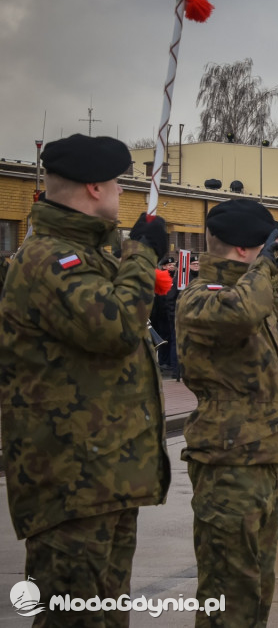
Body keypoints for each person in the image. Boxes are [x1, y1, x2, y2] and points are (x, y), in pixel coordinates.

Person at [0, 134, 171, 624]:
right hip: (71, 480)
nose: (122, 193)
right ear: (95, 187)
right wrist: (142, 255)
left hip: (103, 474)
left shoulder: (88, 251)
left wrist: (131, 250)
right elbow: (115, 327)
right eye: (118, 184)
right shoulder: (49, 258)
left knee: (105, 616)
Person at [176, 199, 278, 626]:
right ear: (247, 249)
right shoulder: (203, 297)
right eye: (267, 245)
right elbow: (240, 313)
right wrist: (262, 268)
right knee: (229, 593)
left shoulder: (255, 290)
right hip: (229, 467)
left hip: (262, 461)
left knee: (257, 588)